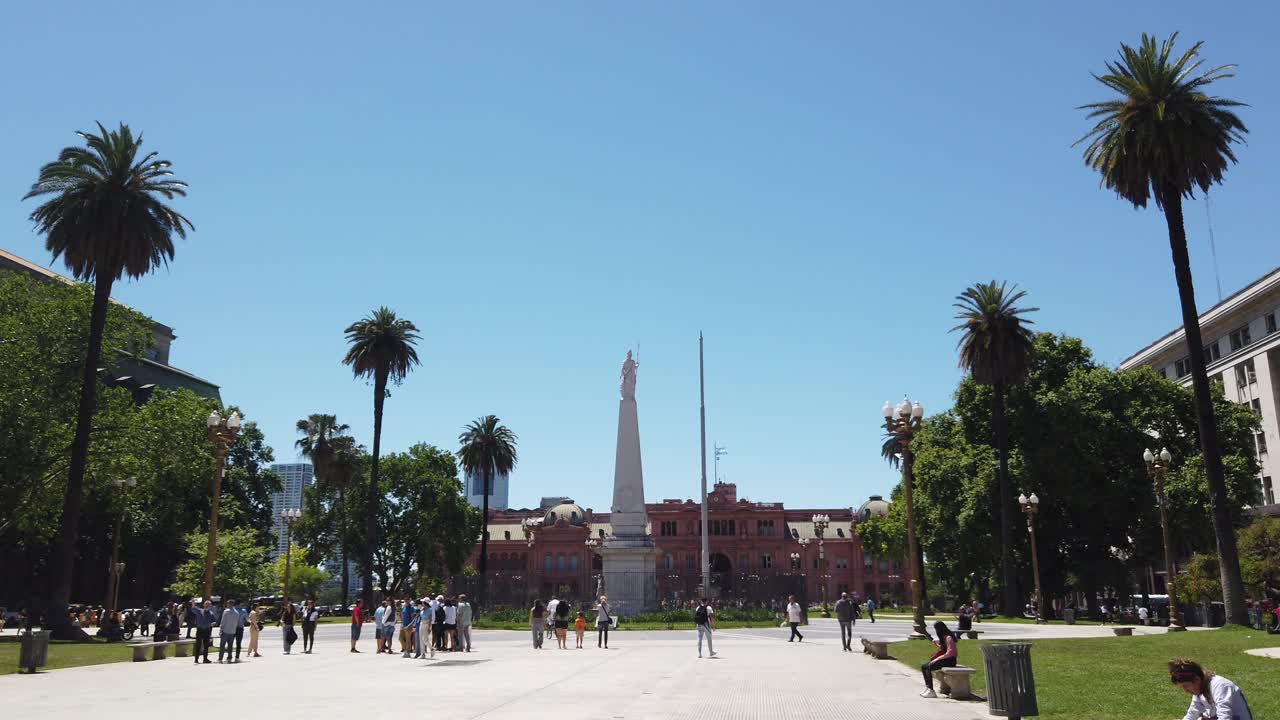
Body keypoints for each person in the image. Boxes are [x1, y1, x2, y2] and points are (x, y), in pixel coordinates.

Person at [1169, 658, 1253, 720]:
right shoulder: (1199, 688)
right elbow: (1193, 713)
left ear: (1197, 680)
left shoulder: (1220, 685)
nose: (1185, 690)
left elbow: (1225, 717)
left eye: (1185, 686)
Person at [920, 621, 958, 698]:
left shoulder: (948, 637)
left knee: (928, 667)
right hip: (945, 660)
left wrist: (937, 659)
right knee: (924, 666)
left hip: (950, 661)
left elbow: (951, 653)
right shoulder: (944, 637)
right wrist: (936, 645)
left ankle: (931, 691)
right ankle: (928, 687)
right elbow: (943, 649)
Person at [194, 599, 214, 664]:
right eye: (206, 604)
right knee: (198, 645)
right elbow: (193, 608)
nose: (207, 605)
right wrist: (193, 601)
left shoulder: (211, 613)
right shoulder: (199, 611)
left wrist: (212, 624)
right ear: (204, 605)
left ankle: (205, 659)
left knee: (206, 646)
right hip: (200, 630)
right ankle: (196, 659)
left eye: (209, 604)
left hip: (207, 630)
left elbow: (214, 621)